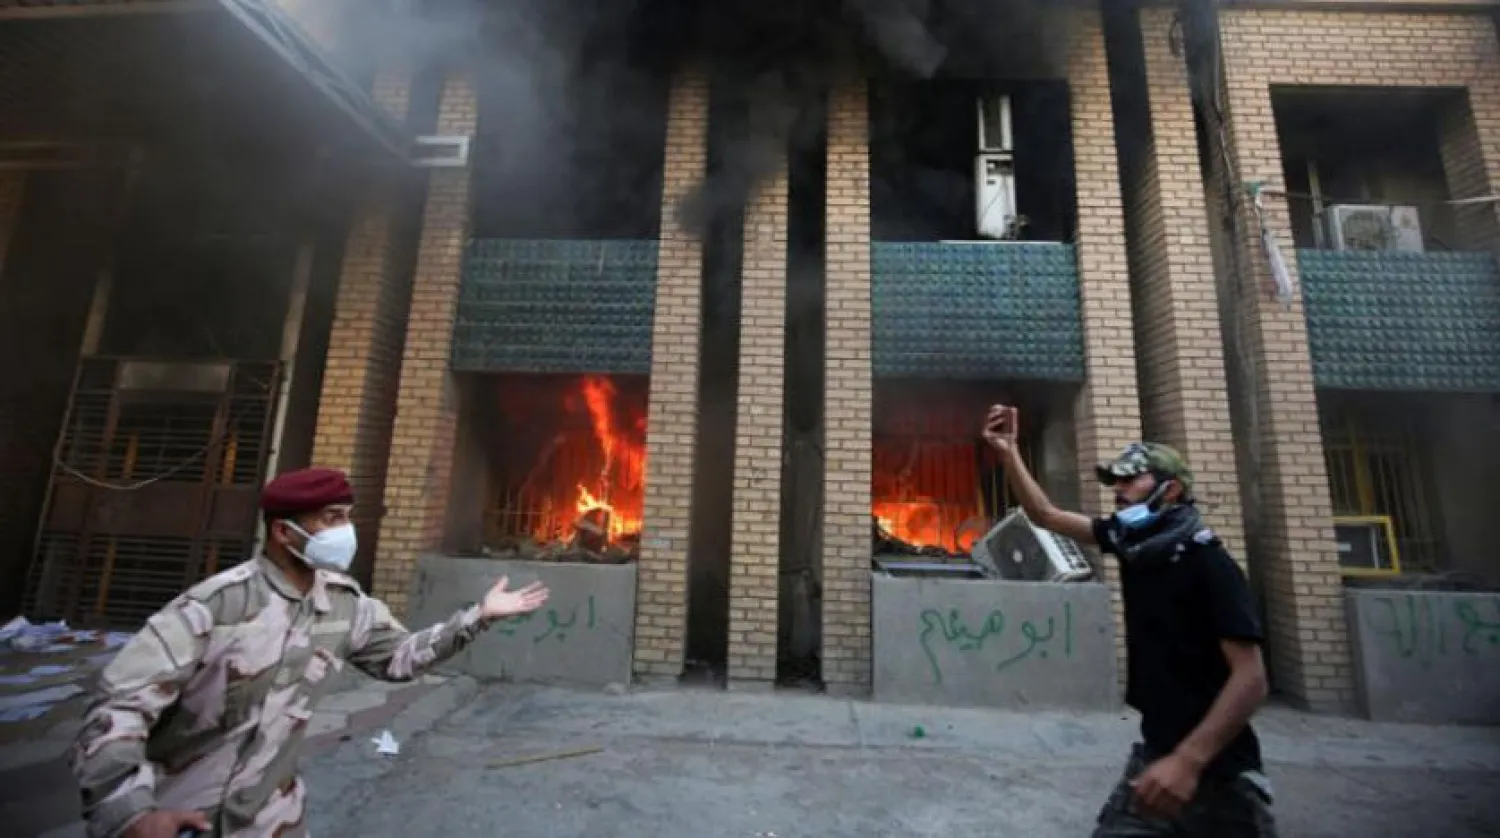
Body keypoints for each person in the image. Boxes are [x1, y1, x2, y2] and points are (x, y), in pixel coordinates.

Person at [70, 467, 550, 838]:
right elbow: (117, 707)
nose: (345, 530)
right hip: (186, 819)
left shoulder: (343, 602)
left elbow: (400, 658)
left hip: (276, 819)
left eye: (346, 516)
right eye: (330, 519)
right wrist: (130, 812)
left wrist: (477, 618)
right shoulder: (217, 605)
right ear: (283, 532)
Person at [981, 405, 1276, 838]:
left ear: (1170, 490)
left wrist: (1188, 761)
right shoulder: (1131, 542)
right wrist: (1008, 454)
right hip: (1157, 753)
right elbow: (1045, 514)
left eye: (1129, 480)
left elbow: (1251, 680)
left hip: (1221, 776)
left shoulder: (1207, 562)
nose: (1118, 490)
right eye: (1115, 481)